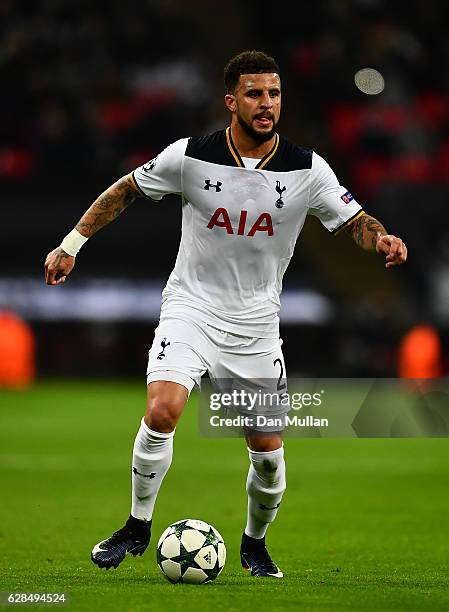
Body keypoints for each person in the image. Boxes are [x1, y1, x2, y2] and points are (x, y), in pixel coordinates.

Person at [44, 50, 407, 578]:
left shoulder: (308, 169)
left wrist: (382, 239)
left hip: (256, 326)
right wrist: (71, 244)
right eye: (256, 94)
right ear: (231, 101)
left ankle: (254, 544)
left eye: (275, 94)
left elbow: (354, 219)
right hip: (191, 307)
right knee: (162, 410)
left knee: (266, 450)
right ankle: (136, 527)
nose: (267, 104)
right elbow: (125, 190)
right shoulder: (189, 157)